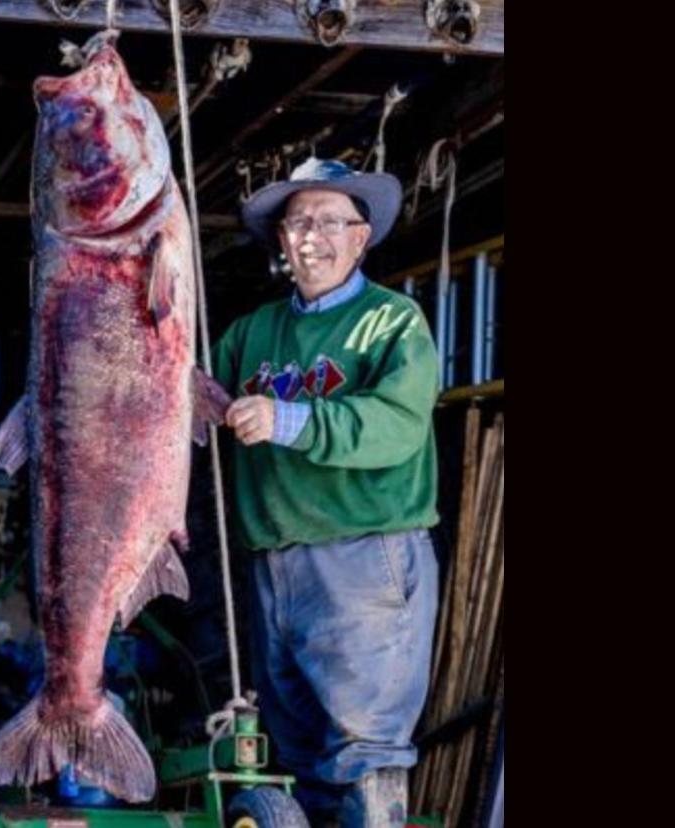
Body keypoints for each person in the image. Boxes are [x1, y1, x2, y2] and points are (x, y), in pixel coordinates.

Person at [212, 157, 441, 828]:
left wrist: (288, 420)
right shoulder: (251, 333)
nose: (312, 236)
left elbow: (396, 428)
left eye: (330, 221)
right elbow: (190, 399)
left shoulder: (393, 323)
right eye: (298, 222)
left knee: (363, 756)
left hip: (364, 561)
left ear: (361, 236)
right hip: (274, 562)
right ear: (281, 240)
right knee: (300, 756)